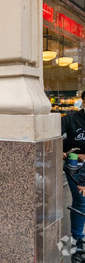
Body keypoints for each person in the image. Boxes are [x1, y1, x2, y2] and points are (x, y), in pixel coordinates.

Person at [62, 90, 85, 251]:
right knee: (81, 201)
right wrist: (59, 150)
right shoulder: (70, 119)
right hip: (74, 166)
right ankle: (78, 239)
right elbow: (50, 135)